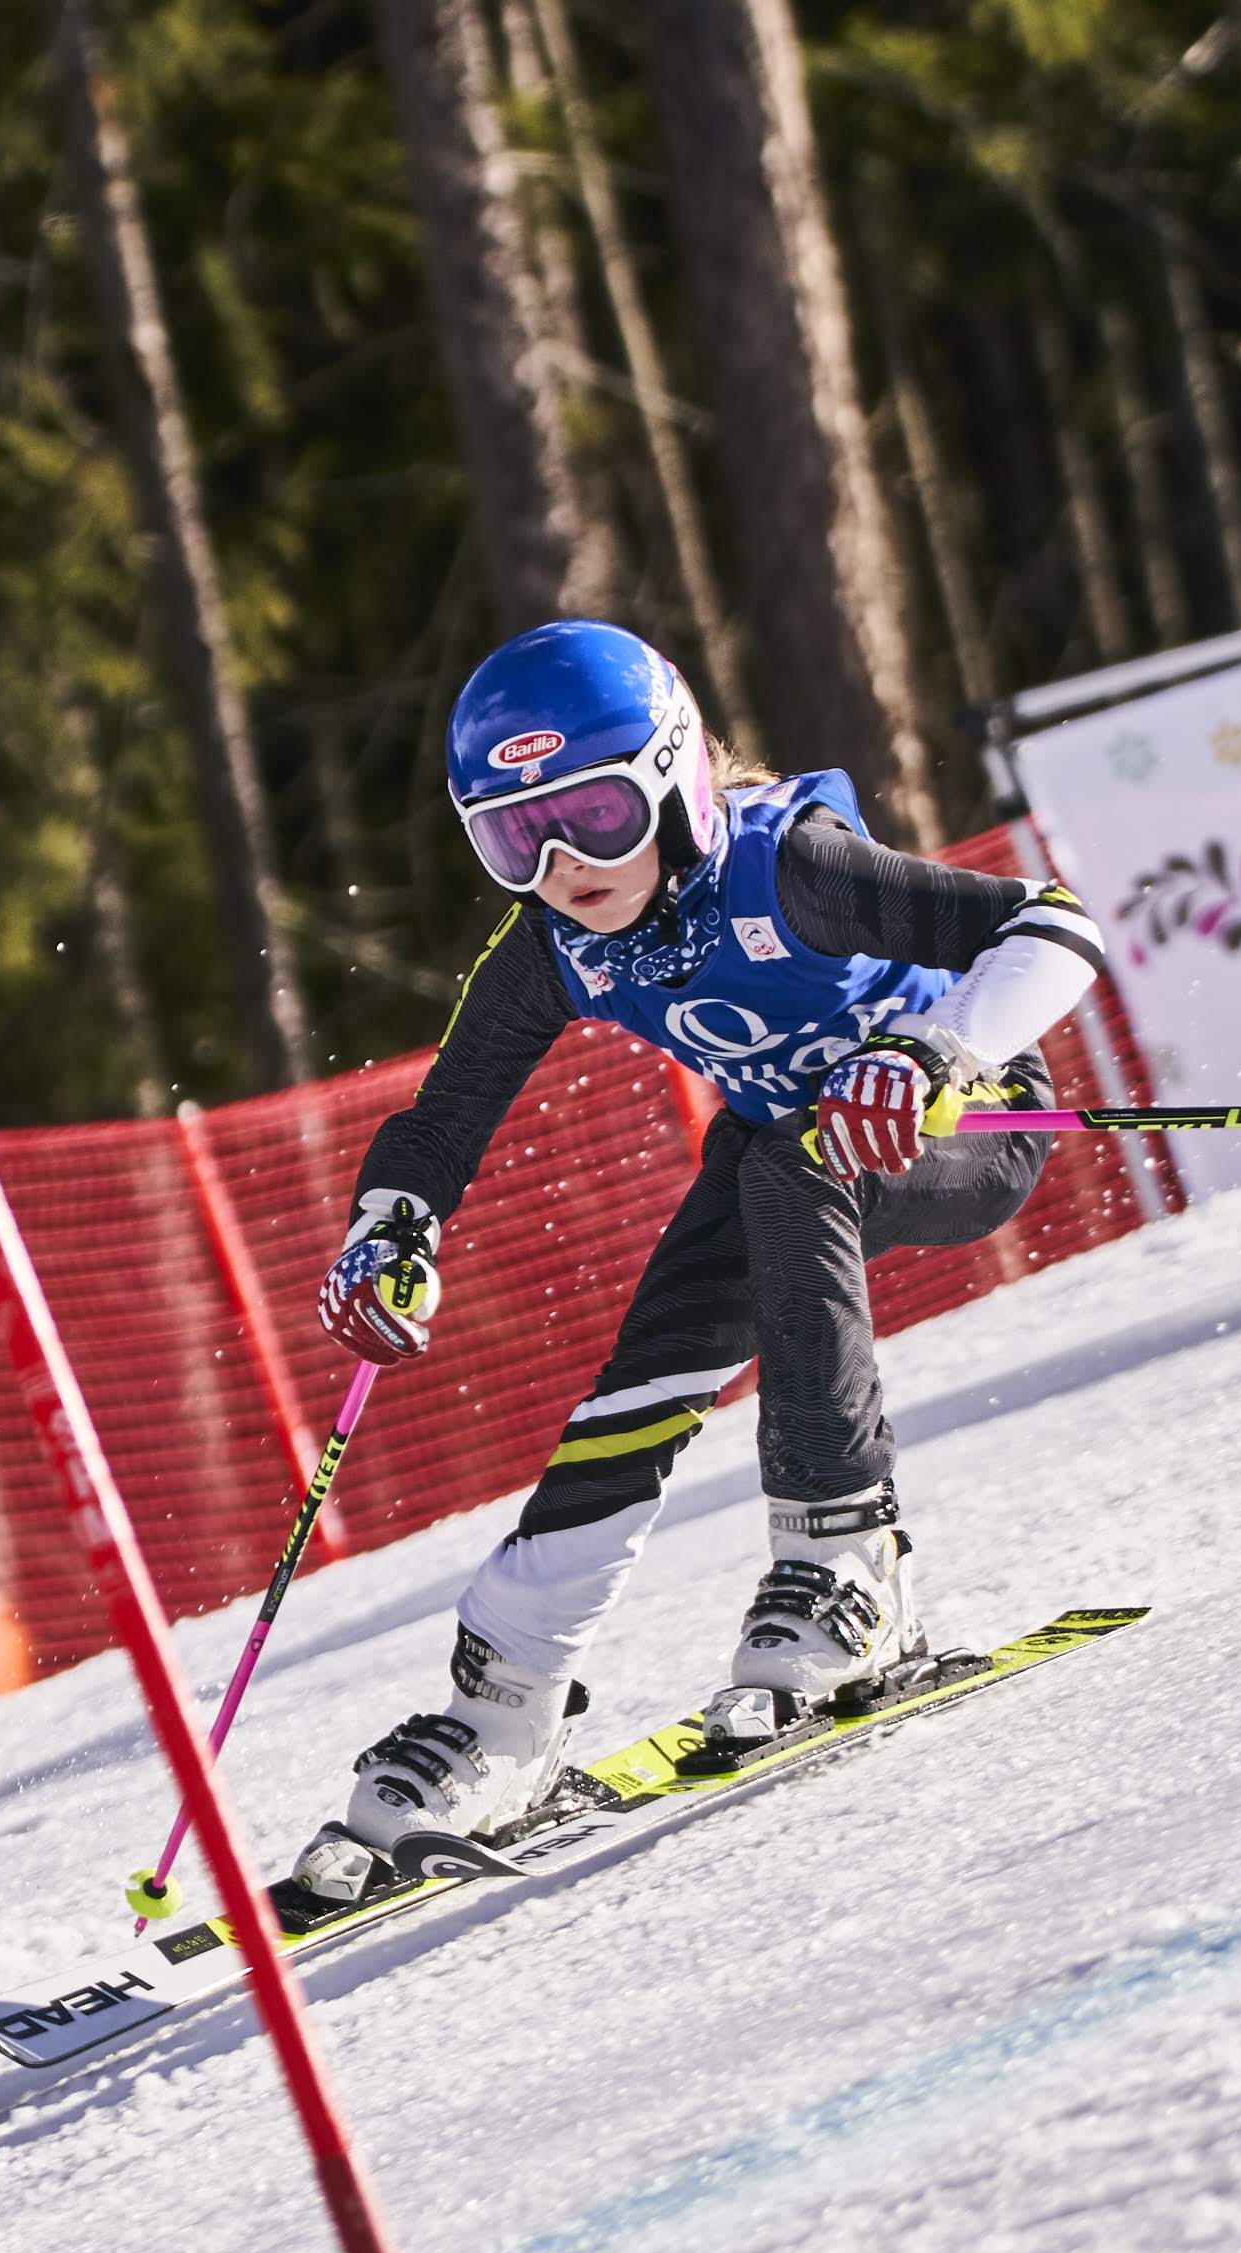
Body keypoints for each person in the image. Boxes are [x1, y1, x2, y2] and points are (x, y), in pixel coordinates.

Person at [290, 619, 1109, 1909]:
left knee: (789, 1166)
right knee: (653, 1359)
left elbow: (1053, 924)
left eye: (597, 815)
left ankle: (849, 1568)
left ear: (675, 782)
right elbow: (442, 1121)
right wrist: (390, 1229)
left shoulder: (790, 867)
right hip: (787, 1144)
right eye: (516, 835)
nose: (564, 864)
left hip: (964, 1114)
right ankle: (506, 1699)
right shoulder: (554, 945)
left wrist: (931, 1052)